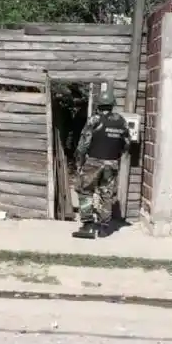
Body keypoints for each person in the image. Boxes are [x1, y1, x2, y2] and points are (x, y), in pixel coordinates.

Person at [72, 90, 131, 239]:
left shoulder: (94, 120)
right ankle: (104, 228)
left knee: (85, 190)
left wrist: (79, 161)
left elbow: (83, 144)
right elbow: (126, 144)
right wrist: (115, 157)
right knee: (106, 194)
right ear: (112, 105)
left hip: (94, 162)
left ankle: (88, 225)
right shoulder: (121, 121)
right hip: (112, 163)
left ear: (99, 105)